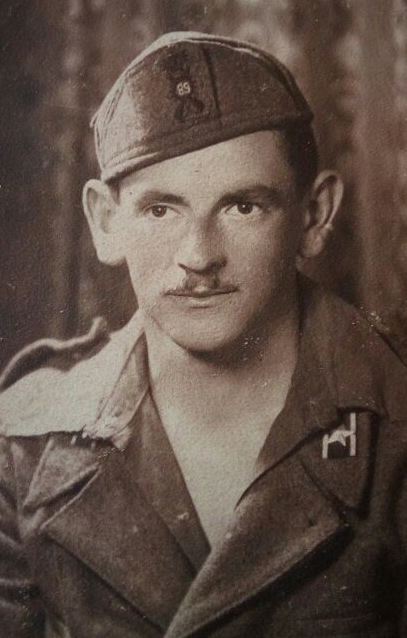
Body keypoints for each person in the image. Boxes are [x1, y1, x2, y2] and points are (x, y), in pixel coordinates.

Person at [0, 31, 407, 638]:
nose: (198, 256)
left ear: (314, 215)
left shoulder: (395, 421)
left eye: (243, 206)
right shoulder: (23, 445)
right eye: (160, 209)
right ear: (105, 222)